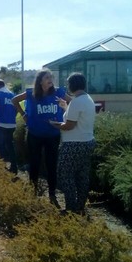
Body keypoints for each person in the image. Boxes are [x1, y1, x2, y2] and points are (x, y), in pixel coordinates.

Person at [12, 69, 70, 206]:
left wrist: (65, 107)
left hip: (53, 135)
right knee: (34, 164)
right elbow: (14, 100)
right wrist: (24, 115)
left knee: (52, 165)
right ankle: (33, 193)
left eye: (51, 77)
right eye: (47, 77)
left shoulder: (58, 92)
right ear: (40, 81)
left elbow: (73, 103)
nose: (50, 79)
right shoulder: (31, 93)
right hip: (35, 135)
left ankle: (52, 195)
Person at [49, 72, 96, 215]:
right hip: (88, 142)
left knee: (65, 174)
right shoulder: (87, 99)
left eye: (68, 84)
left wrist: (55, 124)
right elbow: (76, 117)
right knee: (82, 175)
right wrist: (65, 107)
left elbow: (69, 125)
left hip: (73, 144)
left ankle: (71, 207)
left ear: (72, 85)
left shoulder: (76, 102)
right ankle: (80, 206)